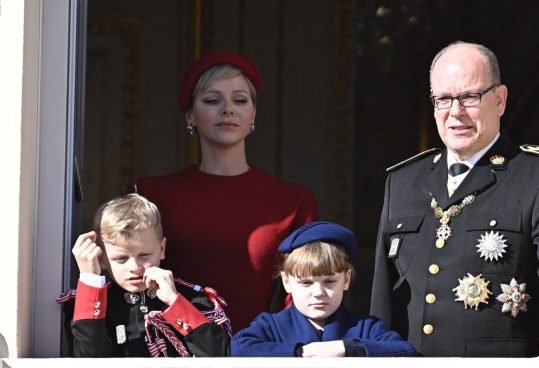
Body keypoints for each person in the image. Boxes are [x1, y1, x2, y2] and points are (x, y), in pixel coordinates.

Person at [370, 41, 539, 358]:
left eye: (470, 97)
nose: (455, 112)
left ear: (499, 100)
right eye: (444, 99)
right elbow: (385, 292)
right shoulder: (403, 181)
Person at [132, 52, 319, 332]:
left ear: (253, 113)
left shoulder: (292, 202)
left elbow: (305, 297)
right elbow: (132, 285)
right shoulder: (151, 196)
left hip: (261, 354)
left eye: (240, 100)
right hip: (171, 350)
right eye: (212, 100)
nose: (228, 109)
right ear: (190, 114)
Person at [57, 194, 231, 357]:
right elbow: (89, 359)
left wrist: (175, 302)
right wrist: (90, 280)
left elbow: (222, 357)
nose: (135, 267)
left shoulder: (194, 299)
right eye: (121, 258)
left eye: (144, 255)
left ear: (162, 249)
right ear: (101, 259)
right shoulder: (87, 306)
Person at [231, 221, 418, 357]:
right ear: (287, 282)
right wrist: (299, 352)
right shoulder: (271, 326)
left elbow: (406, 351)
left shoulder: (365, 328)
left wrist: (346, 348)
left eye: (329, 282)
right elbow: (239, 347)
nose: (318, 292)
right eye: (306, 283)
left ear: (346, 279)